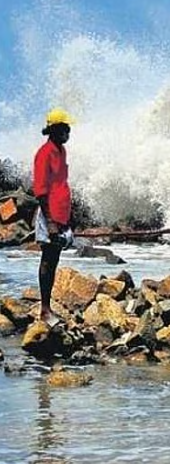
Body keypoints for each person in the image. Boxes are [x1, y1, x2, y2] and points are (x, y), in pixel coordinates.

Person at [33, 108, 75, 326]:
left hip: (61, 213)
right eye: (64, 128)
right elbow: (41, 190)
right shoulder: (45, 153)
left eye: (68, 128)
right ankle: (44, 309)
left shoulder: (61, 150)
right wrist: (49, 222)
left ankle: (47, 308)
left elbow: (61, 184)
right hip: (49, 213)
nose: (68, 132)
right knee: (48, 260)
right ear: (54, 129)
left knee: (54, 259)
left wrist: (68, 217)